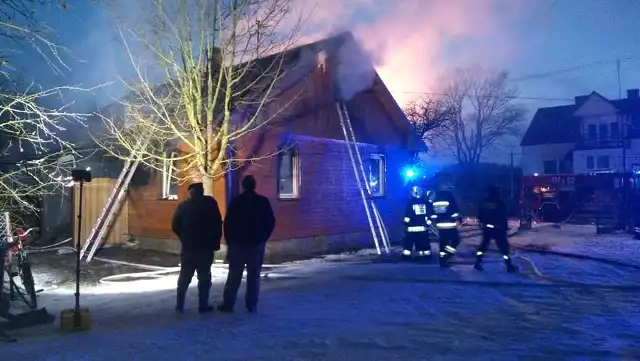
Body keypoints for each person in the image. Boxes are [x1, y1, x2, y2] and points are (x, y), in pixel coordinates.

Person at [218, 175, 275, 313]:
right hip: (256, 243)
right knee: (254, 275)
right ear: (254, 185)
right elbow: (270, 222)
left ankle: (229, 303)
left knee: (234, 275)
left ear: (243, 186)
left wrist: (230, 242)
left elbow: (228, 224)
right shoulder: (262, 201)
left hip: (238, 243)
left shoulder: (236, 202)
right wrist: (263, 238)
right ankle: (251, 304)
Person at [171, 182, 223, 313]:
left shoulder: (183, 206)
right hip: (205, 247)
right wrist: (215, 243)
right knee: (204, 277)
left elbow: (175, 225)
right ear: (202, 191)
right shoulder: (210, 203)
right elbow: (217, 223)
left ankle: (180, 304)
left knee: (184, 277)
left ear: (190, 193)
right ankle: (203, 305)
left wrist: (184, 237)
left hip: (189, 247)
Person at [475, 186, 518, 273]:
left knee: (483, 246)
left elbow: (479, 214)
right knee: (504, 248)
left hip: (487, 228)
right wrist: (504, 228)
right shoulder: (500, 203)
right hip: (498, 228)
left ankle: (477, 262)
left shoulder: (483, 202)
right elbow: (503, 216)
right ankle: (509, 266)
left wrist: (482, 223)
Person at [431, 188, 461, 268]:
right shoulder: (450, 198)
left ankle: (442, 259)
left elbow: (432, 214)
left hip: (440, 225)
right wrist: (457, 218)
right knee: (456, 241)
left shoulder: (436, 200)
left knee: (443, 242)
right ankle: (448, 255)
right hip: (450, 224)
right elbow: (455, 211)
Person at [402, 184, 433, 261]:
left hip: (411, 228)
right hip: (423, 228)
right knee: (423, 242)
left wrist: (405, 223)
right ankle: (423, 255)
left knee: (408, 243)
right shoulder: (424, 202)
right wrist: (428, 221)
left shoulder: (410, 202)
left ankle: (406, 256)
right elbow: (428, 213)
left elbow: (408, 215)